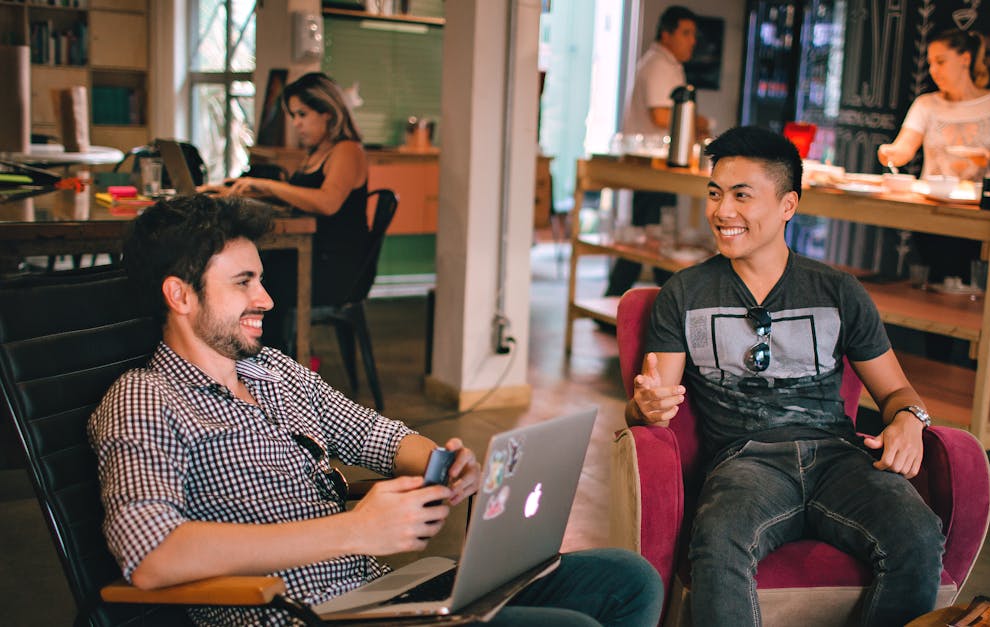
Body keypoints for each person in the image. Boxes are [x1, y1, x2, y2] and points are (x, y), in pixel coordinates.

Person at [91, 194, 663, 626]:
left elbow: (374, 435)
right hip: (303, 614)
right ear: (180, 295)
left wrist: (441, 462)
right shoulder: (146, 398)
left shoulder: (272, 371)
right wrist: (353, 530)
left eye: (261, 280)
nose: (265, 299)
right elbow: (152, 556)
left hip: (379, 595)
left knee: (628, 580)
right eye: (243, 283)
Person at [626, 126, 944, 627]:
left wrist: (910, 418)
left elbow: (897, 391)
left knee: (918, 533)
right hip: (745, 461)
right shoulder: (684, 293)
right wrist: (643, 408)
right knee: (718, 539)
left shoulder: (838, 291)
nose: (721, 211)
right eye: (715, 194)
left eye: (741, 195)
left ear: (788, 205)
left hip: (841, 458)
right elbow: (651, 400)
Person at [201, 72, 371, 351]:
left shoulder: (347, 151)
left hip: (335, 268)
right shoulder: (316, 152)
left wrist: (266, 185)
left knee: (255, 281)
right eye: (293, 115)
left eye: (302, 114)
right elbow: (301, 199)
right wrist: (241, 190)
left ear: (327, 112)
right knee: (248, 272)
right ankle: (247, 357)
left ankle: (266, 362)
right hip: (313, 254)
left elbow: (327, 202)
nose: (296, 123)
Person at [878, 29, 990, 283]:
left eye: (941, 61)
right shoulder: (926, 104)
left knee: (973, 287)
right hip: (933, 211)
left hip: (982, 212)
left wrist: (988, 157)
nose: (933, 70)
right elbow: (904, 150)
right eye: (931, 63)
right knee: (931, 283)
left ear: (965, 59)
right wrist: (889, 153)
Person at [605, 5, 707, 299]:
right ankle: (623, 303)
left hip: (660, 166)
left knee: (653, 238)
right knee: (651, 240)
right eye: (686, 33)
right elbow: (663, 116)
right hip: (653, 167)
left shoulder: (668, 64)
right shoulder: (659, 65)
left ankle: (644, 303)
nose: (692, 41)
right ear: (667, 34)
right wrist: (700, 121)